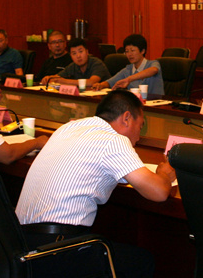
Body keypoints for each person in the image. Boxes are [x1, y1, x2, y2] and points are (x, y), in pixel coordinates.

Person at [16, 90, 175, 278]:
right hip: (57, 250)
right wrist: (164, 174)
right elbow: (159, 192)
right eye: (140, 127)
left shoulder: (68, 128)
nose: (138, 137)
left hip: (20, 242)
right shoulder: (112, 140)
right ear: (126, 118)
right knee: (142, 260)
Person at [93, 34, 164, 96]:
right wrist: (100, 85)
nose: (129, 54)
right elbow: (110, 82)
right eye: (127, 51)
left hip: (157, 104)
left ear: (142, 51)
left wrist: (129, 79)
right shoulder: (128, 70)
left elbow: (154, 70)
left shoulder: (153, 64)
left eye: (132, 50)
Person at [44, 38, 110, 87]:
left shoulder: (97, 63)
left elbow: (91, 82)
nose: (78, 56)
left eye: (80, 51)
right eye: (74, 53)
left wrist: (63, 81)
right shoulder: (73, 66)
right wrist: (49, 78)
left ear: (87, 52)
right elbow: (56, 77)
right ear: (71, 56)